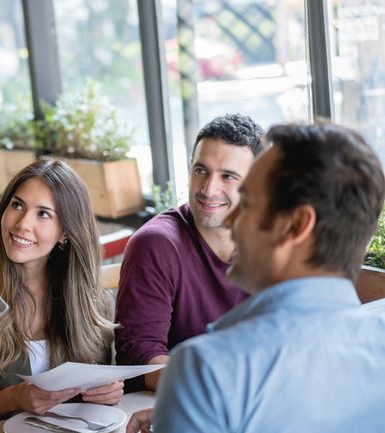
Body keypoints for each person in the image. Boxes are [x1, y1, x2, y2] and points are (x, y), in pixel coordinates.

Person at [128, 122, 385, 433]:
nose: (232, 219)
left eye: (246, 203)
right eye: (201, 170)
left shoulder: (205, 371)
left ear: (296, 226)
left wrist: (189, 400)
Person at [0, 159, 122, 433]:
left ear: (65, 232)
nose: (22, 224)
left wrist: (108, 394)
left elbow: (94, 398)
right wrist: (13, 398)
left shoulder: (89, 298)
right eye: (17, 205)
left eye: (43, 214)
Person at [115, 113, 264, 390]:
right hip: (179, 406)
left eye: (228, 176)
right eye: (201, 170)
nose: (209, 189)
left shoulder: (275, 243)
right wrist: (225, 385)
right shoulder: (156, 244)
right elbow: (139, 358)